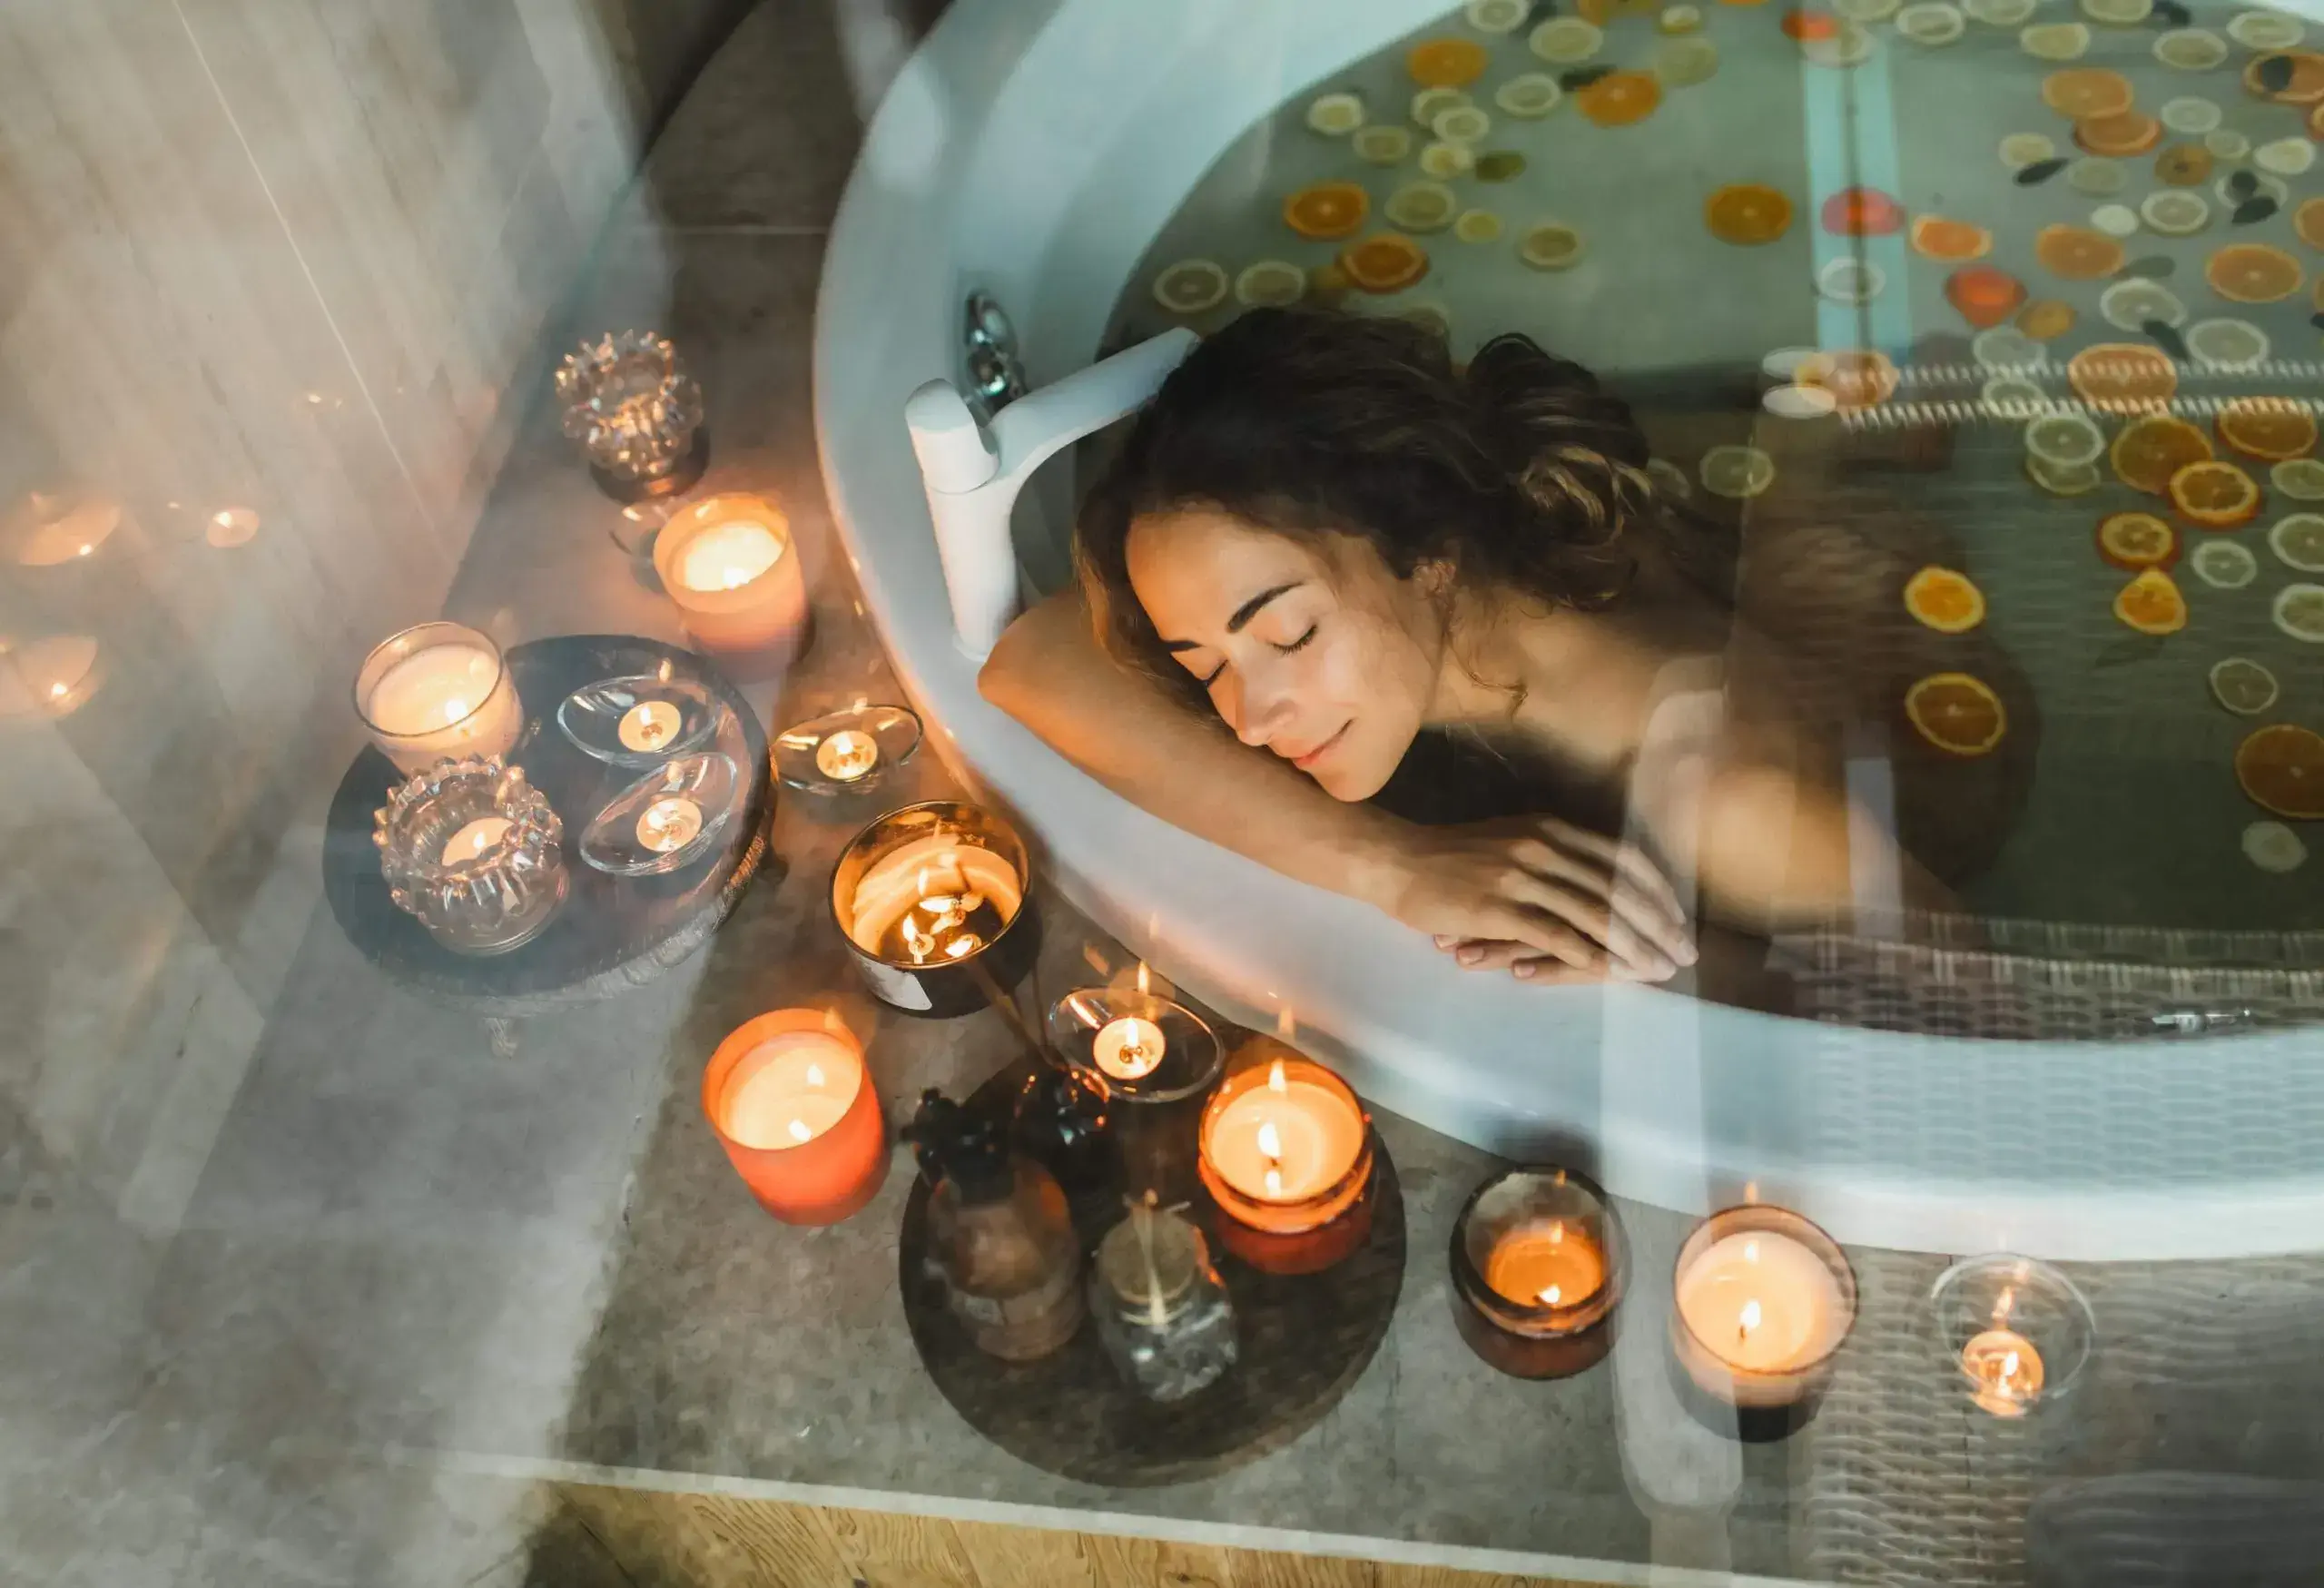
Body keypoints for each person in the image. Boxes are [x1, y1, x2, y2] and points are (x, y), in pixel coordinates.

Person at [979, 307, 2023, 987]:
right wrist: (1393, 865)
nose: (1246, 719)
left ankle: (1857, 443)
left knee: (1815, 558)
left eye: (1288, 633)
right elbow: (1031, 660)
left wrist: (1680, 961)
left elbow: (1964, 987)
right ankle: (1835, 443)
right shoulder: (1473, 554)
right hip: (1697, 592)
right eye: (1200, 663)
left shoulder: (1723, 800)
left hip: (1911, 750)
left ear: (1426, 548)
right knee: (1750, 507)